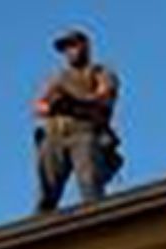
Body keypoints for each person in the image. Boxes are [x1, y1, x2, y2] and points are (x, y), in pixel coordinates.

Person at [33, 29, 123, 214]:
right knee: (46, 193)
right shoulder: (58, 78)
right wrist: (51, 107)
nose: (69, 51)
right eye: (65, 48)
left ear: (85, 46)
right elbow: (39, 105)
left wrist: (73, 103)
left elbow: (103, 99)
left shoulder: (100, 72)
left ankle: (97, 224)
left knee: (90, 187)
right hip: (56, 134)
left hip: (84, 131)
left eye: (73, 45)